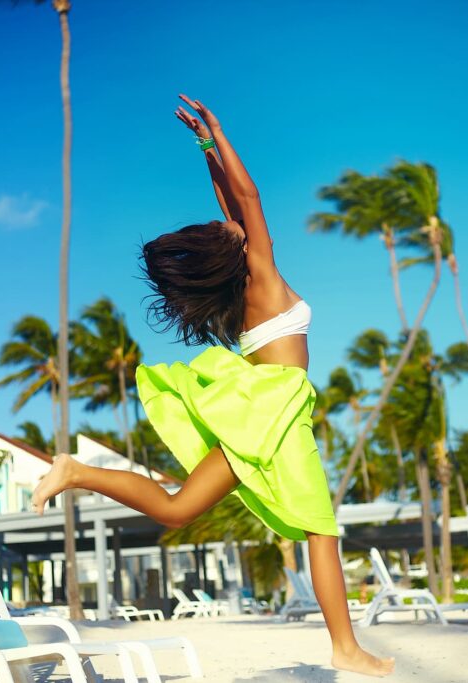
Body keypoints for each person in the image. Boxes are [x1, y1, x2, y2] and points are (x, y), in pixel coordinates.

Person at [31, 95, 395, 677]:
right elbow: (246, 198)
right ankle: (346, 650)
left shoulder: (249, 284)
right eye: (224, 227)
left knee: (179, 510)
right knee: (321, 531)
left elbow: (232, 203)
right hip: (275, 409)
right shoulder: (261, 273)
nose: (226, 218)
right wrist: (218, 134)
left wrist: (205, 149)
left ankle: (75, 472)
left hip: (260, 406)